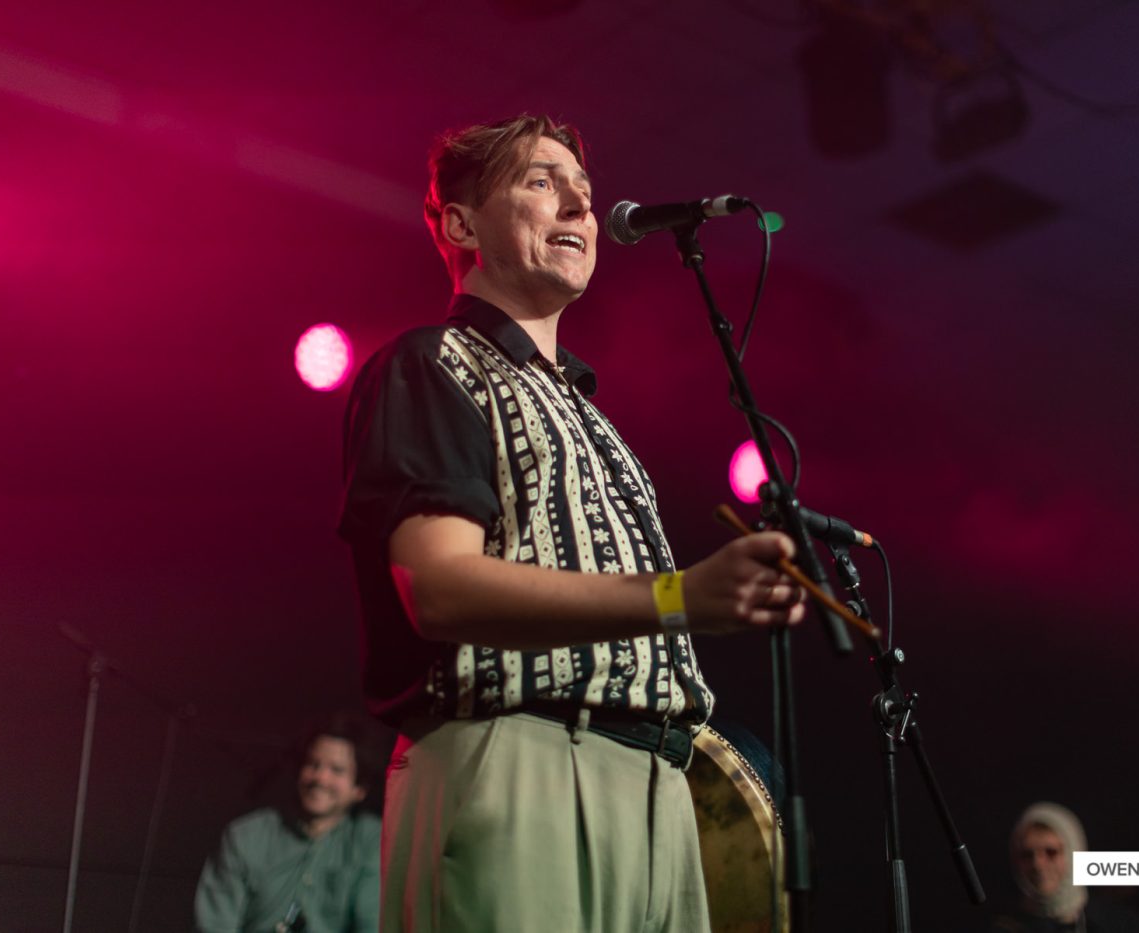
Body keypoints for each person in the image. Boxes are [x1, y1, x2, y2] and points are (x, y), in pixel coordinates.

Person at [337, 113, 806, 932]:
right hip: (522, 763)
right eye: (541, 182)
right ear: (459, 222)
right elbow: (438, 588)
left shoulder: (593, 415)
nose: (579, 209)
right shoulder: (432, 362)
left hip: (656, 789)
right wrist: (678, 597)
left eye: (584, 195)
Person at [195, 715, 381, 933]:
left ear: (359, 789)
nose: (320, 778)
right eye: (313, 764)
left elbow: (372, 922)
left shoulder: (372, 840)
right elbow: (214, 926)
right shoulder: (246, 835)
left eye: (336, 770)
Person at [987, 801, 1139, 933]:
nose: (1038, 864)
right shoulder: (1004, 928)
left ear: (1073, 851)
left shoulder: (1119, 924)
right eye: (1027, 855)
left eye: (1051, 852)